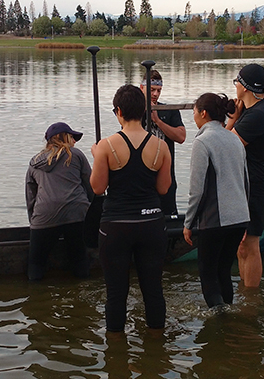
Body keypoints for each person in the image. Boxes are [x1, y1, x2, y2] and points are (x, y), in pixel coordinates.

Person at [90, 85, 172, 333]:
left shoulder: (106, 145)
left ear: (119, 111)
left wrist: (97, 156)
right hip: (151, 224)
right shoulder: (160, 146)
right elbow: (163, 188)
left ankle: (115, 355)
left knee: (116, 295)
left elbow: (97, 188)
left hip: (116, 226)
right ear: (144, 111)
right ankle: (157, 349)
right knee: (153, 291)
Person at [182, 92, 250, 308]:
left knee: (208, 274)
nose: (193, 117)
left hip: (215, 219)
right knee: (224, 272)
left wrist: (188, 223)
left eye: (194, 112)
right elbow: (246, 181)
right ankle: (229, 317)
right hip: (240, 217)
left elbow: (196, 189)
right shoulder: (234, 139)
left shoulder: (202, 141)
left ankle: (218, 324)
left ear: (203, 113)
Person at [226, 63, 264, 288]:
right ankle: (246, 292)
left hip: (254, 187)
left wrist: (232, 120)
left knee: (250, 245)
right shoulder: (253, 112)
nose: (235, 85)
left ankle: (251, 299)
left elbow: (225, 145)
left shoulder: (258, 115)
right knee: (241, 245)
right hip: (245, 186)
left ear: (244, 86)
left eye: (237, 81)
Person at [26, 122, 93, 281]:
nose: (75, 142)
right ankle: (83, 298)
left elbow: (31, 196)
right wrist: (90, 213)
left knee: (36, 264)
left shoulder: (34, 162)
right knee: (80, 260)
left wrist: (34, 222)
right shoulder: (76, 155)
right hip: (76, 213)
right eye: (72, 137)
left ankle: (35, 299)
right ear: (65, 138)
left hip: (45, 215)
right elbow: (91, 186)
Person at [142, 69, 186, 216]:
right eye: (152, 90)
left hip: (166, 177)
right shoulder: (134, 111)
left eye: (159, 90)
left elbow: (181, 137)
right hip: (142, 179)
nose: (155, 94)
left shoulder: (169, 110)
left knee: (168, 217)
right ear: (142, 88)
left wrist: (158, 121)